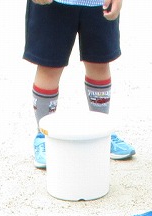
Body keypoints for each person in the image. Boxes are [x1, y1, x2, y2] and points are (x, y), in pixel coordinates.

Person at [25, 0, 135, 169]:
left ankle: (102, 132)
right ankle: (43, 136)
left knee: (99, 62)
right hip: (53, 4)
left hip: (99, 4)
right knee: (49, 65)